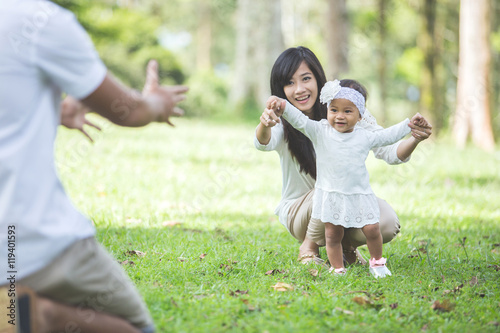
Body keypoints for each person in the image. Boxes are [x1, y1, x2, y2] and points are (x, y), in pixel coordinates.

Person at [0, 1, 188, 332]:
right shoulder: (41, 20)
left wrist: (50, 112)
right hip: (26, 242)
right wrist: (158, 103)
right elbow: (129, 110)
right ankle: (32, 316)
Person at [254, 46, 432, 267]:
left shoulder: (349, 110)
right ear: (281, 89)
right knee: (329, 189)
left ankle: (345, 248)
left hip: (342, 199)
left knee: (385, 221)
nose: (299, 89)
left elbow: (390, 152)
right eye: (289, 83)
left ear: (319, 79)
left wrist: (414, 138)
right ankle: (308, 246)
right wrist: (265, 124)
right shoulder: (284, 119)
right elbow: (264, 143)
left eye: (306, 78)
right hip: (301, 210)